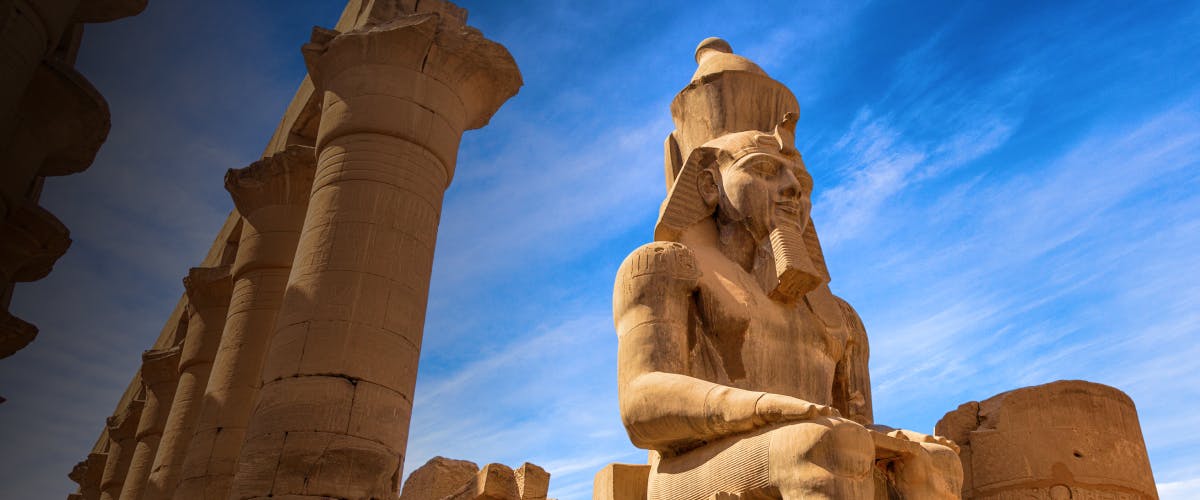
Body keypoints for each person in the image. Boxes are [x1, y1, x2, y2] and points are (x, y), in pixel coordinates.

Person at [613, 85, 962, 498]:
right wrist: (763, 409)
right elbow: (641, 402)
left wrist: (899, 440)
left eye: (800, 181)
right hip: (694, 468)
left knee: (936, 462)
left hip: (812, 441)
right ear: (709, 186)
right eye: (764, 169)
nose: (792, 189)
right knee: (822, 446)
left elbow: (856, 424)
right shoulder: (667, 266)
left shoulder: (841, 316)